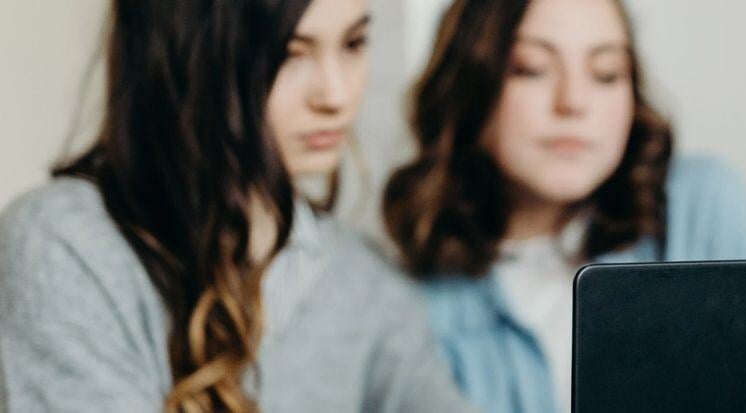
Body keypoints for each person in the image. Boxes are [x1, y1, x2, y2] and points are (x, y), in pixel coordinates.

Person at [0, 0, 475, 411]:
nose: (336, 95)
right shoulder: (66, 248)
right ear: (192, 53)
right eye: (289, 53)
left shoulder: (362, 282)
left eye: (353, 45)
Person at [382, 0, 746, 412]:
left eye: (606, 73)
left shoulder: (700, 205)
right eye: (531, 68)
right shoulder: (404, 298)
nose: (573, 102)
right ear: (466, 85)